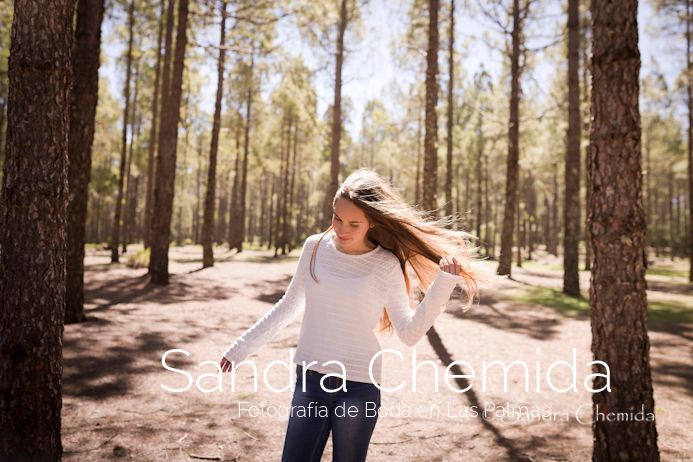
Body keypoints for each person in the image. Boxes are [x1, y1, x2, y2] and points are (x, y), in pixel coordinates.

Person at [219, 168, 478, 462]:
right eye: (337, 218)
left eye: (354, 223)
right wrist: (241, 347)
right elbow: (288, 306)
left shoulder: (385, 264)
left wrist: (442, 284)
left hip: (359, 386)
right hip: (311, 379)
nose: (342, 230)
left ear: (372, 223)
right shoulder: (314, 248)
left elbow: (409, 333)